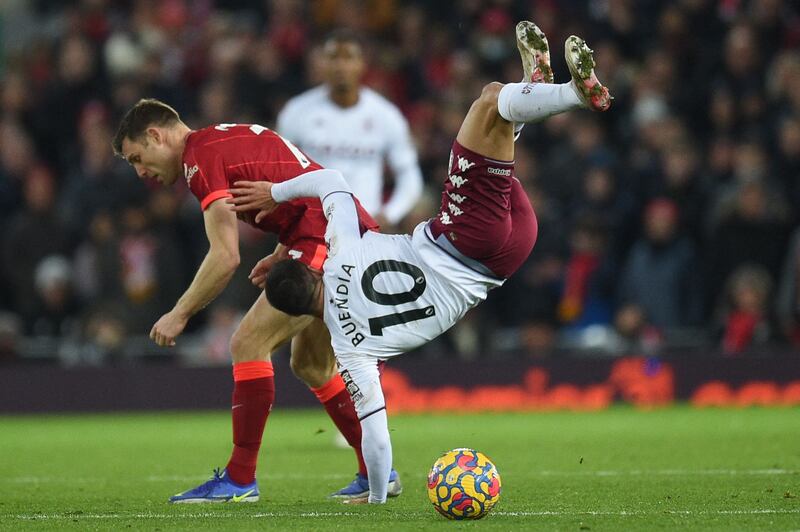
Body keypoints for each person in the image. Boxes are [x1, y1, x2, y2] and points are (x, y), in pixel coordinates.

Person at [229, 22, 611, 503]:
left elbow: (377, 432)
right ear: (311, 266)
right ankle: (575, 94)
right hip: (462, 235)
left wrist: (377, 501)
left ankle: (537, 84)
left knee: (499, 131)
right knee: (490, 100)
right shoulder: (345, 248)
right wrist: (276, 194)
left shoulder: (351, 350)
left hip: (504, 259)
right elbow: (331, 181)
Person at [112, 101, 404, 502]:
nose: (141, 171)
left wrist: (179, 313)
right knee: (311, 364)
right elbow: (296, 178)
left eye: (137, 158)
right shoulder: (220, 140)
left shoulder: (199, 158)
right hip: (334, 230)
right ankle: (379, 471)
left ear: (156, 136)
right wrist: (285, 248)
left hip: (328, 237)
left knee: (247, 343)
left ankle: (239, 478)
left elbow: (225, 256)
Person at [276, 30, 423, 229]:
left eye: (348, 58)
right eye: (333, 58)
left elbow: (409, 174)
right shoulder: (297, 111)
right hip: (312, 225)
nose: (340, 66)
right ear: (322, 64)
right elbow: (277, 169)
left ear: (362, 64)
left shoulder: (386, 115)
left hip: (366, 226)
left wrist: (390, 214)